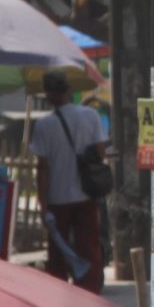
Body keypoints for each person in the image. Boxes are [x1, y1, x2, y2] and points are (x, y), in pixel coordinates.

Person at [27, 67, 107, 292]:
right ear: (68, 90)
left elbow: (42, 168)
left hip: (57, 197)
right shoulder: (90, 116)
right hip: (85, 194)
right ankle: (89, 293)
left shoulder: (44, 125)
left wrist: (43, 204)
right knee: (89, 248)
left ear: (48, 93)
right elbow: (100, 152)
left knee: (58, 253)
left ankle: (60, 295)